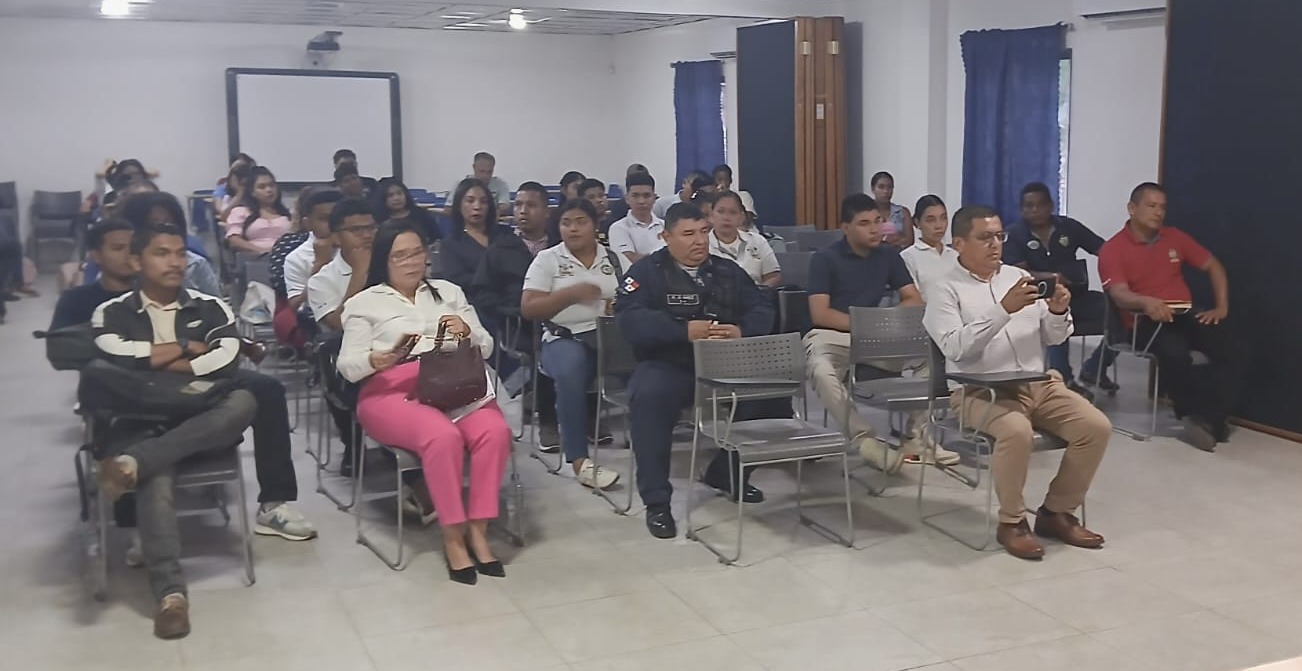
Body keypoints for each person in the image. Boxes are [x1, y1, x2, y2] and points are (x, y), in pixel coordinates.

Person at [91, 224, 316, 637]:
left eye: (180, 253)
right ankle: (171, 596)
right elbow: (116, 359)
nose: (176, 262)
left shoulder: (211, 307)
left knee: (245, 399)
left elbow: (224, 360)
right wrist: (185, 349)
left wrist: (158, 366)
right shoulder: (112, 312)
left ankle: (131, 464)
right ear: (136, 261)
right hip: (143, 418)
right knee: (156, 473)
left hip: (204, 418)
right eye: (162, 253)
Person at [923, 204, 1111, 560]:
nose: (995, 244)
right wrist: (1002, 310)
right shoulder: (944, 289)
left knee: (1096, 427)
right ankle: (1012, 523)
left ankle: (1056, 513)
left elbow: (1054, 337)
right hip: (977, 389)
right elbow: (955, 348)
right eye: (985, 237)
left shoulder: (1018, 277)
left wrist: (1058, 312)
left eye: (999, 236)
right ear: (959, 243)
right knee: (1016, 430)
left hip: (1038, 383)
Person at [337, 222, 512, 584]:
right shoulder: (363, 303)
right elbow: (347, 366)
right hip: (391, 391)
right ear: (384, 260)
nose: (412, 262)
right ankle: (453, 537)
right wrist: (375, 360)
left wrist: (469, 334)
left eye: (417, 252)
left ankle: (478, 530)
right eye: (400, 256)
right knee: (442, 437)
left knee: (494, 432)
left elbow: (487, 346)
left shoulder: (448, 292)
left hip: (454, 385)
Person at [615, 203, 774, 539]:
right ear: (666, 236)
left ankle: (726, 473)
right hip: (668, 363)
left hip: (724, 362)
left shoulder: (727, 271)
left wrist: (742, 330)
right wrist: (682, 331)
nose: (700, 241)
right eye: (688, 234)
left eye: (703, 232)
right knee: (649, 398)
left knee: (770, 392)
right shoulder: (646, 272)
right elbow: (629, 320)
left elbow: (762, 308)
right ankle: (657, 502)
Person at [804, 193, 959, 471]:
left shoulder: (888, 256)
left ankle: (915, 436)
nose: (875, 229)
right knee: (819, 369)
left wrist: (882, 325)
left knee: (931, 353)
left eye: (877, 221)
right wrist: (867, 325)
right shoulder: (824, 259)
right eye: (865, 224)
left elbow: (913, 299)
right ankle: (864, 439)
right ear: (846, 228)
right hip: (832, 336)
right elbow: (821, 314)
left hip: (874, 336)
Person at [1098, 183, 1241, 451]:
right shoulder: (1113, 249)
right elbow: (1119, 294)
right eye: (1151, 206)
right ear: (1132, 209)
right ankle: (1195, 414)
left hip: (1183, 313)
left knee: (1234, 347)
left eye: (1162, 207)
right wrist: (1145, 301)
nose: (1158, 212)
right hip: (1142, 321)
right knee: (1174, 351)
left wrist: (1221, 307)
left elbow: (1213, 265)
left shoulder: (1174, 237)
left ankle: (1207, 419)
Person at [521, 199, 627, 489]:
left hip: (613, 337)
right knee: (571, 370)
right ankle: (580, 460)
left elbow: (636, 294)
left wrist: (620, 305)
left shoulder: (615, 259)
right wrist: (571, 294)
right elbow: (529, 308)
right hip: (564, 338)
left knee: (651, 366)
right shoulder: (548, 259)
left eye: (581, 222)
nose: (573, 229)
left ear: (595, 225)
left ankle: (653, 446)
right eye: (566, 223)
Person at [1005, 182, 1114, 398]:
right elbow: (1018, 272)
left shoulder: (1068, 227)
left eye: (1040, 204)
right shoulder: (1015, 234)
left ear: (1051, 205)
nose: (1035, 210)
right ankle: (1063, 381)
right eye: (1029, 206)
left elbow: (1105, 250)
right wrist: (1051, 278)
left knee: (1121, 312)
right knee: (1055, 315)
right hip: (1037, 300)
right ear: (1021, 209)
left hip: (1077, 295)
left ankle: (1095, 367)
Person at [471, 183, 561, 444]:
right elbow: (481, 293)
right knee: (543, 349)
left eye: (531, 205)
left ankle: (588, 416)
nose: (522, 211)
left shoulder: (559, 246)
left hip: (562, 319)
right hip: (519, 326)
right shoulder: (501, 248)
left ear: (546, 211)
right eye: (518, 205)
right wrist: (515, 310)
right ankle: (548, 422)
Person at [118, 191, 222, 297]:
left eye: (169, 224)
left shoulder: (196, 265)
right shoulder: (119, 267)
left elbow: (216, 303)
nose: (163, 230)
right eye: (154, 224)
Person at [308, 198, 379, 332]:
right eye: (356, 230)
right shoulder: (321, 280)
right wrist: (359, 273)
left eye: (371, 228)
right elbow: (338, 324)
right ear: (336, 237)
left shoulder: (393, 264)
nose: (367, 235)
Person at [50, 219, 134, 330]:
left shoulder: (150, 296)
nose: (129, 255)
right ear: (96, 256)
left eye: (134, 248)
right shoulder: (75, 300)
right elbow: (59, 339)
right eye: (118, 248)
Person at [709, 191, 781, 286]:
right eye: (721, 211)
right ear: (711, 215)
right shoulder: (703, 244)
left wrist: (758, 292)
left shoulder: (757, 241)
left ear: (741, 216)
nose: (726, 217)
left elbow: (773, 276)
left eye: (733, 212)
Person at [900, 194, 959, 301]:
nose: (939, 226)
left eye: (943, 218)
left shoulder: (955, 255)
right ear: (917, 222)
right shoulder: (908, 257)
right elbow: (913, 298)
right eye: (931, 220)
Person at [225, 166, 291, 255]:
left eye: (271, 185)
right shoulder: (241, 212)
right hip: (253, 257)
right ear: (252, 192)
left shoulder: (288, 214)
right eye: (262, 187)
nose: (269, 190)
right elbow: (234, 240)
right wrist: (263, 251)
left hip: (286, 257)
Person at [607, 172, 664, 265]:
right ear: (627, 199)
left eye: (646, 196)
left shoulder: (666, 225)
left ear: (654, 198)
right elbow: (627, 258)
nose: (641, 201)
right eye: (635, 196)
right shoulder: (618, 228)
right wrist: (666, 258)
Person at [372, 177, 440, 243]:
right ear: (383, 199)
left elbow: (437, 238)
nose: (396, 198)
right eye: (390, 195)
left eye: (399, 193)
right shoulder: (379, 220)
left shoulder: (421, 214)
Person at [445, 152, 511, 215]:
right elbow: (448, 208)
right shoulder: (460, 184)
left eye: (489, 172)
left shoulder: (500, 184)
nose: (485, 176)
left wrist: (490, 216)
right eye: (482, 171)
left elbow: (504, 207)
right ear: (474, 167)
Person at [870, 171, 915, 249]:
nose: (885, 191)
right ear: (873, 189)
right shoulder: (866, 212)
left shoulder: (903, 212)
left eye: (889, 187)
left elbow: (909, 241)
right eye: (881, 187)